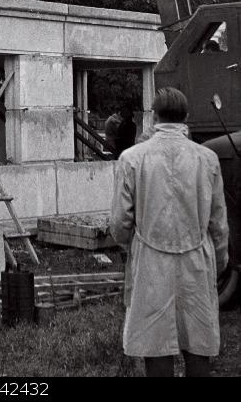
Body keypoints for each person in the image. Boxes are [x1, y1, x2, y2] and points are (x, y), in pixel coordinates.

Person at [110, 87, 229, 378]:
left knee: (156, 342)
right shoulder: (208, 158)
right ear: (186, 116)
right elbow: (219, 222)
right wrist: (220, 260)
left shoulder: (131, 158)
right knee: (198, 339)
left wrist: (135, 247)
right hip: (197, 258)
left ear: (154, 116)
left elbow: (119, 223)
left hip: (151, 259)